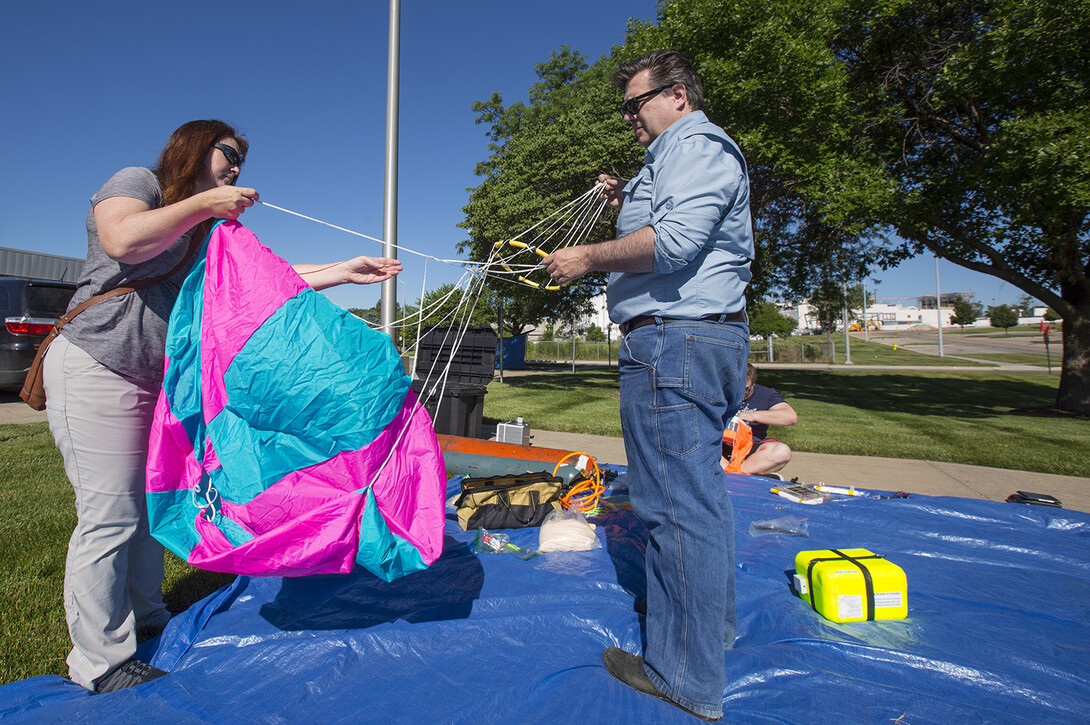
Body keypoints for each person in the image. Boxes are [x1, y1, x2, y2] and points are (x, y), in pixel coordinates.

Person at [42, 120, 401, 694]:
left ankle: (150, 617)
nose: (236, 167)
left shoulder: (206, 229)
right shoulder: (140, 184)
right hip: (96, 364)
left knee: (149, 506)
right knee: (110, 516)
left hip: (152, 379)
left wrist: (341, 271)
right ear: (194, 146)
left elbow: (264, 283)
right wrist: (206, 204)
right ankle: (100, 662)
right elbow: (123, 240)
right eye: (228, 154)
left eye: (241, 161)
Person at [543, 50, 753, 722]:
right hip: (696, 337)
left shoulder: (695, 144)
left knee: (672, 507)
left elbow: (676, 242)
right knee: (700, 497)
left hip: (673, 340)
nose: (630, 118)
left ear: (680, 96)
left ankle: (684, 674)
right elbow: (670, 226)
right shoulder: (674, 158)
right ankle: (707, 630)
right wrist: (625, 196)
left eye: (638, 104)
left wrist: (585, 257)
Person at [722, 364, 798, 476]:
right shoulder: (720, 393)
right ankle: (734, 473)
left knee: (782, 452)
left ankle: (736, 473)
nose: (740, 393)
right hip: (720, 447)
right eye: (736, 388)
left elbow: (790, 417)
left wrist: (752, 416)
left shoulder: (766, 394)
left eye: (745, 389)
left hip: (751, 449)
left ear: (753, 384)